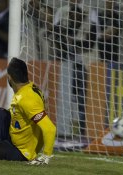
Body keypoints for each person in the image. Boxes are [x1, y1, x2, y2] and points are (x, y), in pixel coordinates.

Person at [51, 0, 97, 147]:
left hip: (84, 64)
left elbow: (91, 42)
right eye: (72, 15)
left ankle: (83, 131)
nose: (73, 17)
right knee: (65, 97)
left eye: (77, 15)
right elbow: (56, 37)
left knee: (82, 98)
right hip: (65, 63)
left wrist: (74, 43)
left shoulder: (90, 16)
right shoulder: (61, 13)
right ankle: (64, 130)